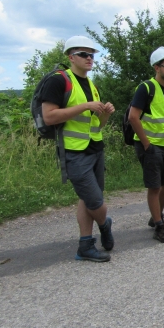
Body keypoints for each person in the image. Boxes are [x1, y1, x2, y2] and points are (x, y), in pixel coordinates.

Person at [41, 35, 115, 262]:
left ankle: (85, 245)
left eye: (92, 55)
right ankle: (105, 223)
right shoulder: (58, 80)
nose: (89, 58)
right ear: (70, 56)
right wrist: (85, 106)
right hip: (74, 151)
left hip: (95, 148)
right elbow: (49, 116)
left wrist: (104, 115)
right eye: (84, 54)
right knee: (95, 201)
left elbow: (96, 124)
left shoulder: (91, 85)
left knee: (87, 198)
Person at [128, 46, 164, 245]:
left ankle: (156, 216)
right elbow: (133, 117)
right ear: (156, 67)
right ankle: (159, 225)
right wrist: (147, 145)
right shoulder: (146, 87)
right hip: (151, 145)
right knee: (155, 186)